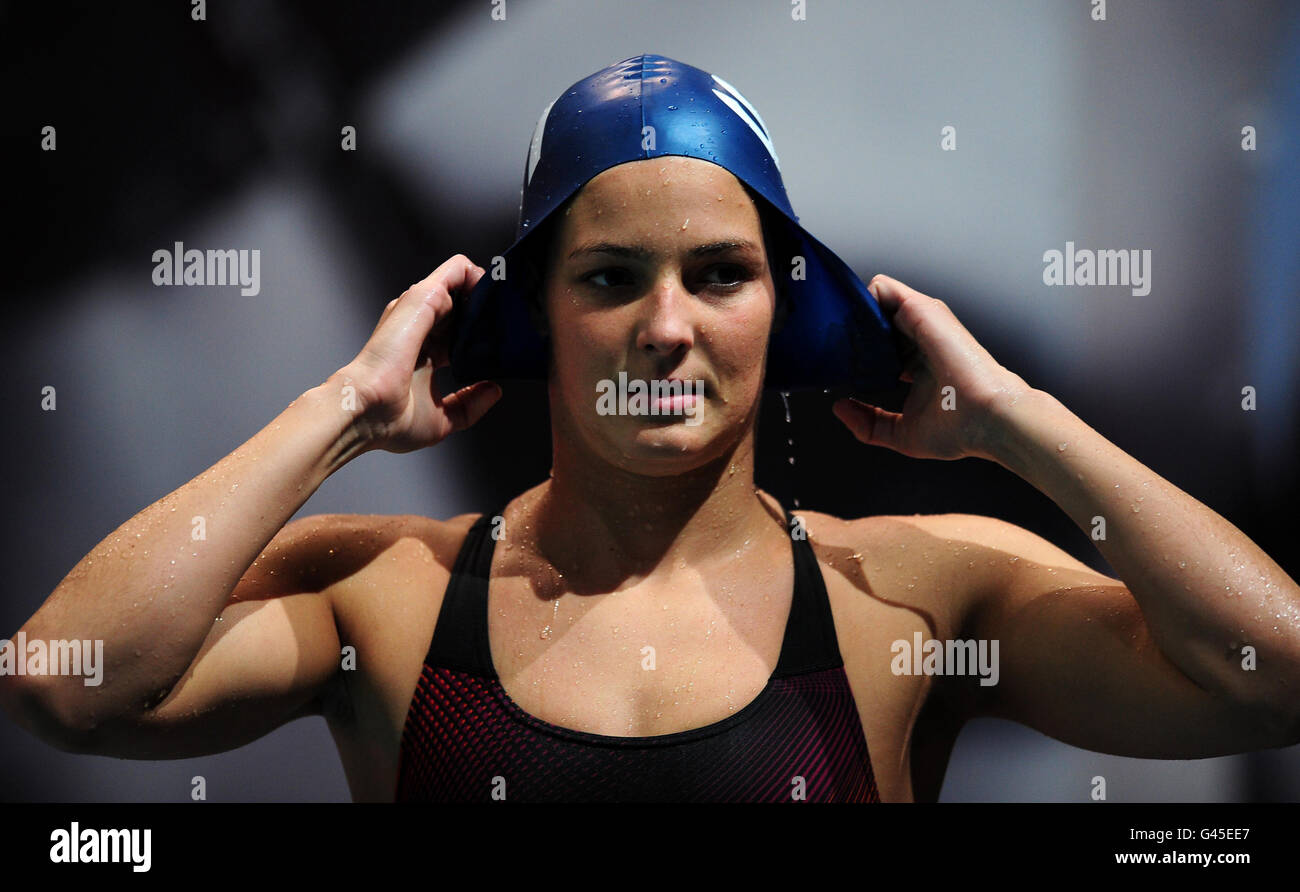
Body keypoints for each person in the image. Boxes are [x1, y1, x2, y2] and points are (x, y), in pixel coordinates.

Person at [3, 56, 1298, 803]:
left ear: (783, 319)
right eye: (611, 277)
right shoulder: (390, 596)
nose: (665, 327)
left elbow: (1273, 673)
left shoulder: (909, 596)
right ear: (537, 319)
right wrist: (337, 411)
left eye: (721, 277)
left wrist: (1021, 424)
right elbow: (66, 682)